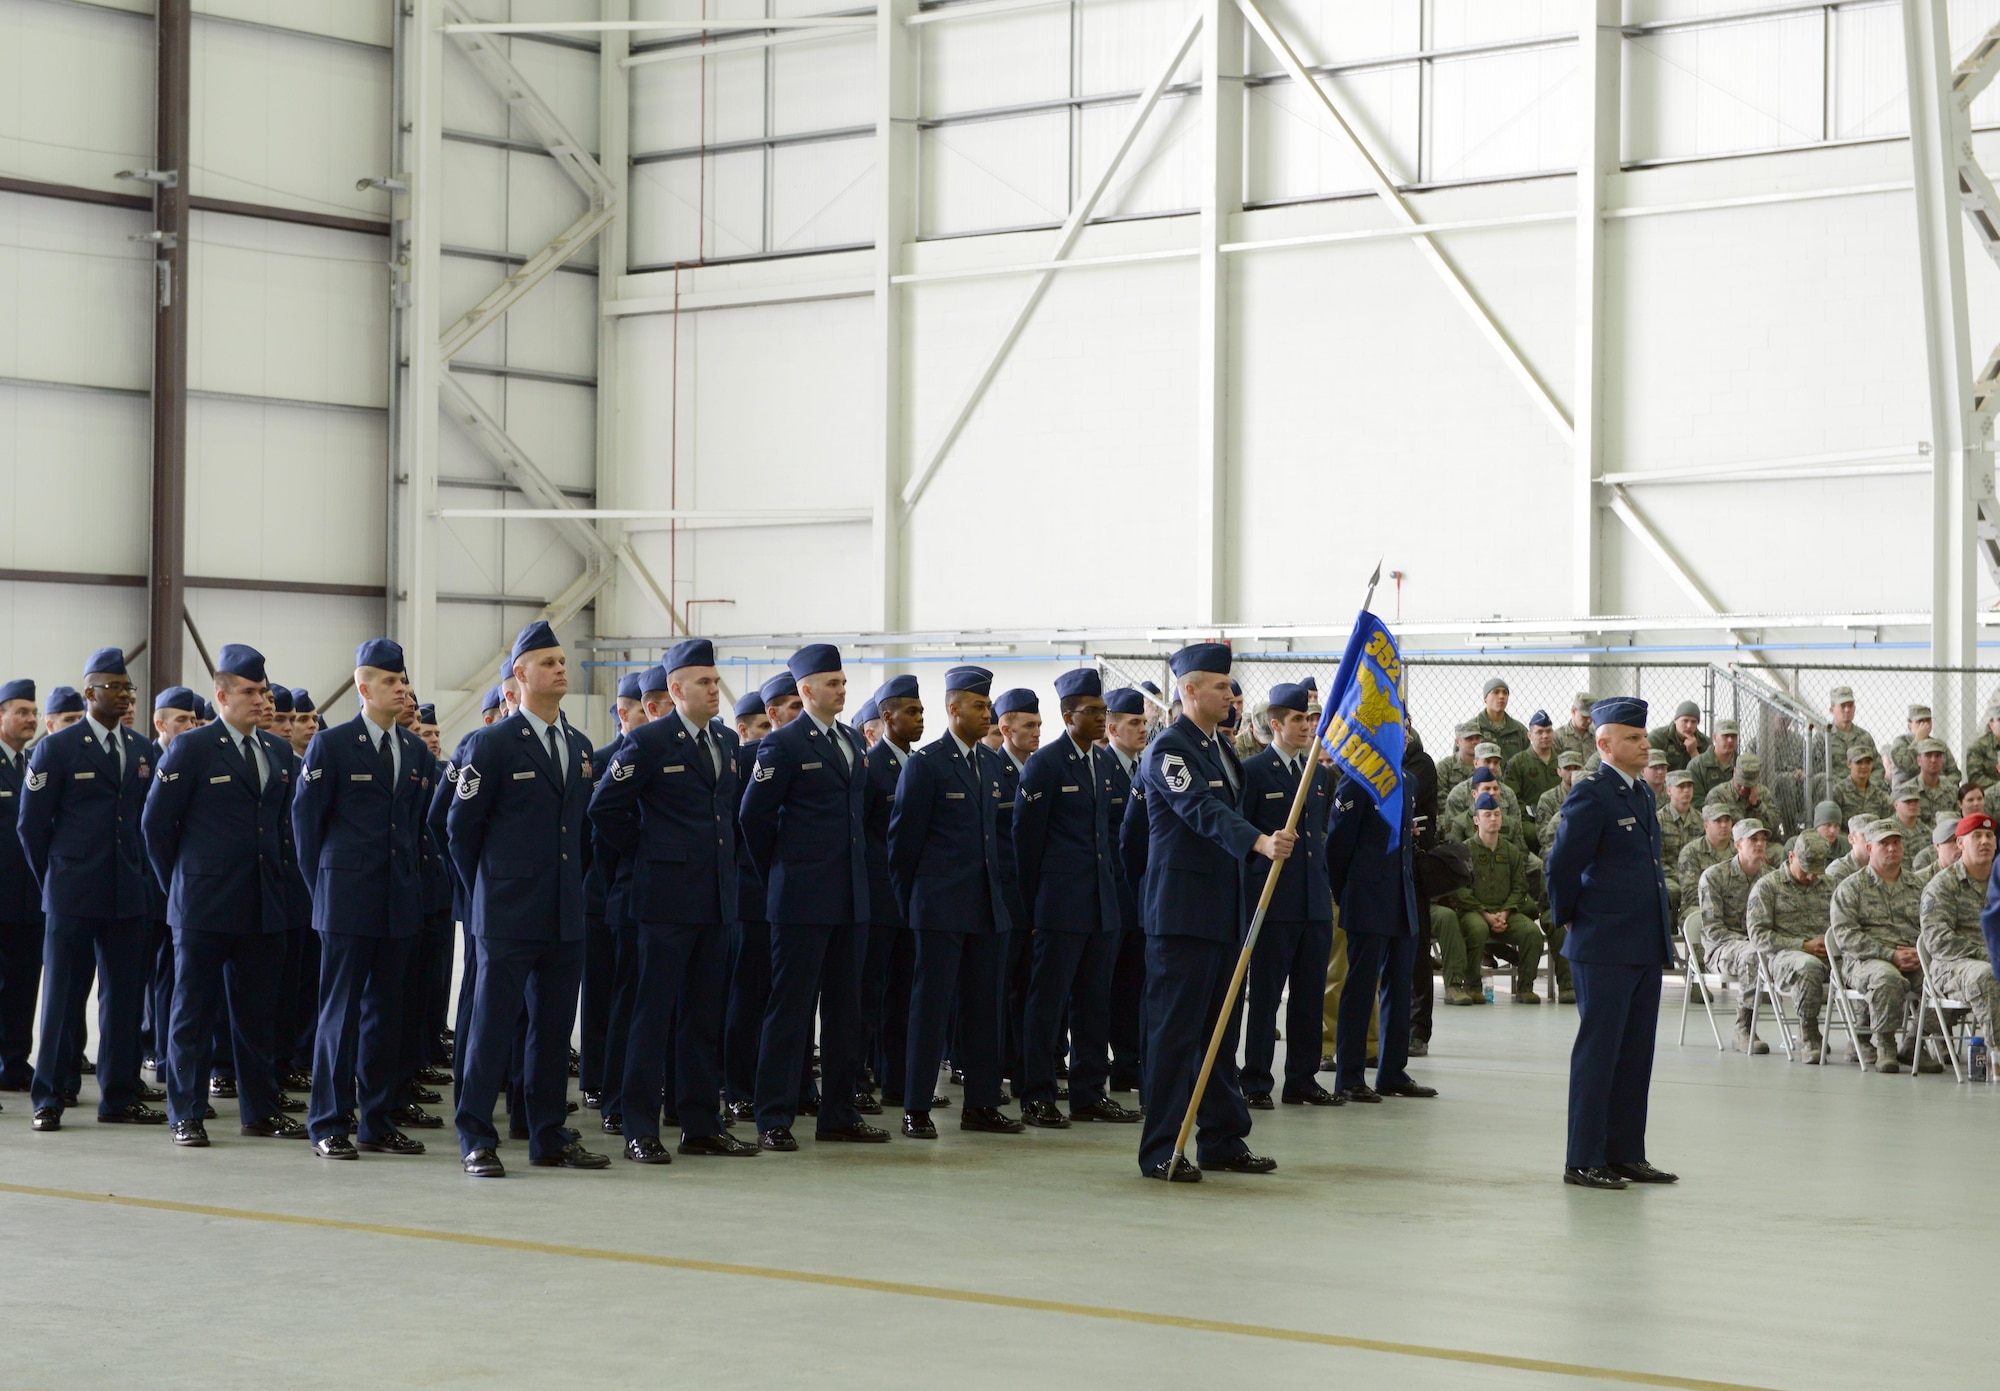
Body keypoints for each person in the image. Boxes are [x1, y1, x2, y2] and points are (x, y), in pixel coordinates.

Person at [587, 638, 757, 1164]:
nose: (715, 689)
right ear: (677, 690)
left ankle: (699, 1123)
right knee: (651, 1015)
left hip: (714, 902)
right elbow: (605, 811)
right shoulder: (649, 743)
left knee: (704, 1017)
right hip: (661, 902)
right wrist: (647, 856)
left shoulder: (726, 743)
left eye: (716, 680)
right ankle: (640, 1126)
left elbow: (728, 816)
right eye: (704, 682)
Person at [448, 621, 608, 1176]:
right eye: (548, 663)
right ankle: (476, 1136)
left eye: (563, 661)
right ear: (520, 675)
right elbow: (460, 829)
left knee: (553, 1030)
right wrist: (484, 894)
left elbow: (581, 831)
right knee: (492, 1028)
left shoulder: (578, 745)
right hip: (506, 912)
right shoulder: (490, 744)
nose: (561, 669)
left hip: (564, 910)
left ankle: (549, 1135)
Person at [1129, 643, 1290, 1182]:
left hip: (1223, 912)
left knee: (1220, 1033)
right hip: (1181, 916)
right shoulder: (1169, 751)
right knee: (1175, 1036)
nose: (1231, 694)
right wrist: (1259, 843)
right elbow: (1199, 810)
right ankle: (1161, 1149)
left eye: (1230, 685)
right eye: (1220, 686)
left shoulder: (1219, 748)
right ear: (1189, 691)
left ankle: (1222, 1139)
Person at [142, 645, 304, 1148]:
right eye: (251, 692)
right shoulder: (191, 748)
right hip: (202, 906)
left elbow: (282, 828)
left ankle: (259, 1109)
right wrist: (181, 888)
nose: (263, 700)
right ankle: (185, 1113)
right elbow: (155, 827)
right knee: (192, 1012)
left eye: (264, 691)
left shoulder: (277, 752)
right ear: (223, 694)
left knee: (257, 1016)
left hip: (261, 905)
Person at [738, 643, 884, 1151]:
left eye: (844, 682)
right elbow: (752, 818)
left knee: (847, 1010)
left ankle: (839, 1113)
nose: (842, 690)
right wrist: (781, 871)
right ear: (805, 690)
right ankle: (773, 1117)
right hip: (800, 897)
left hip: (849, 898)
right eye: (832, 683)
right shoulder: (783, 745)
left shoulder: (849, 741)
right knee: (791, 1009)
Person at [292, 640, 431, 1160]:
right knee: (340, 1014)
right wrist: (323, 890)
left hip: (397, 900)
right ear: (364, 687)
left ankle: (377, 1120)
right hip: (345, 899)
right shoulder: (332, 745)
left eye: (404, 681)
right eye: (391, 682)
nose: (402, 689)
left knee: (386, 1016)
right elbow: (306, 826)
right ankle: (328, 1121)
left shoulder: (414, 751)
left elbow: (416, 829)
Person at [18, 648, 163, 1131]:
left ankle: (119, 1095)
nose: (123, 695)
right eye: (113, 687)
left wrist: (144, 875)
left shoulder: (143, 750)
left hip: (128, 892)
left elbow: (152, 823)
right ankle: (50, 1096)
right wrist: (54, 881)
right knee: (62, 997)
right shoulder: (57, 748)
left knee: (122, 999)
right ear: (89, 692)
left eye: (128, 688)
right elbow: (31, 827)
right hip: (72, 893)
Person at [1545, 696, 1677, 1190]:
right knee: (1599, 1054)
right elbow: (1561, 866)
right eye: (1634, 738)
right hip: (1602, 945)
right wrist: (1575, 921)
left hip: (1641, 944)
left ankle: (1625, 1153)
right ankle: (1583, 1158)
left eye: (1644, 737)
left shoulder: (1639, 793)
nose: (1645, 745)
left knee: (1635, 1053)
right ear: (1604, 743)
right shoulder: (1592, 793)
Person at [890, 665, 1022, 1140]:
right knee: (930, 1010)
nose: (987, 713)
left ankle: (982, 1105)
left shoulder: (990, 765)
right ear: (954, 708)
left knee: (985, 1010)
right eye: (979, 706)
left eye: (988, 705)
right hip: (939, 908)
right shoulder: (926, 765)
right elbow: (902, 844)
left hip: (987, 907)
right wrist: (913, 904)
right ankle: (916, 1107)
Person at [1013, 668, 1136, 1127]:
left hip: (1102, 904)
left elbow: (1109, 836)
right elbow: (1025, 840)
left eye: (1105, 712)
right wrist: (1030, 908)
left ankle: (1088, 1093)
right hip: (1058, 905)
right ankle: (1037, 1093)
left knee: (1093, 1003)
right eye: (1094, 712)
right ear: (1068, 716)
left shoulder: (1102, 763)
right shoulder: (1045, 764)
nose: (1103, 719)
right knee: (1048, 1003)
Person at [1233, 683, 1336, 1109]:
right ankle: (1256, 1079)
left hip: (1313, 901)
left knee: (1310, 993)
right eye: (1297, 719)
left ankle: (1302, 1078)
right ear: (1275, 724)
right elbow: (1242, 837)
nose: (1306, 727)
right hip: (1273, 902)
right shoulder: (1254, 772)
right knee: (1267, 995)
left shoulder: (1319, 774)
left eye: (1310, 719)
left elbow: (1319, 836)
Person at [1326, 740, 1437, 1106]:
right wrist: (1348, 894)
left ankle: (1392, 1071)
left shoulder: (1407, 779)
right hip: (1367, 898)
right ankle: (1350, 1076)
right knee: (1360, 988)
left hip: (1401, 898)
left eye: (1404, 727)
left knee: (1400, 986)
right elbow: (1338, 848)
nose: (1401, 735)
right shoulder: (1357, 782)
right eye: (1393, 725)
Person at [859, 676, 925, 1110]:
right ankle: (860, 1080)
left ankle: (897, 1081)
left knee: (903, 993)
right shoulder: (871, 766)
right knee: (867, 994)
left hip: (912, 900)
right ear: (887, 717)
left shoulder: (921, 764)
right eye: (912, 712)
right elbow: (863, 833)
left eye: (921, 712)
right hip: (878, 896)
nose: (920, 720)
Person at [1827, 821, 1928, 1074]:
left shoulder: (1918, 887)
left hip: (1913, 958)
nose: (1892, 849)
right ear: (1869, 848)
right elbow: (1846, 936)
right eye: (1884, 844)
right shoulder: (1851, 888)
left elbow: (1932, 928)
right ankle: (1885, 1046)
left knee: (1946, 979)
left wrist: (1921, 955)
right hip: (1864, 961)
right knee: (1886, 978)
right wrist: (1889, 954)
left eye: (1896, 842)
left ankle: (1915, 1043)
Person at [722, 689, 773, 1124]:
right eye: (764, 728)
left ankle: (782, 1084)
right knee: (747, 996)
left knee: (781, 999)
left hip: (787, 894)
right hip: (750, 894)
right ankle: (737, 1087)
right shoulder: (741, 766)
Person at [1443, 797, 1542, 1003]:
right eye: (1487, 815)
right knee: (1477, 929)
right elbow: (1460, 891)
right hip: (1474, 912)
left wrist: (1505, 913)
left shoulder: (1511, 851)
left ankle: (1525, 987)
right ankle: (1473, 986)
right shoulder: (1464, 851)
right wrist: (1485, 914)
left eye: (1497, 814)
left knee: (1532, 933)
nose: (1493, 819)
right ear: (1476, 820)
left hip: (1505, 912)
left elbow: (1519, 887)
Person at [1746, 835, 1834, 1063]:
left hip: (1830, 955)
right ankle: (1809, 1034)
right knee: (1808, 966)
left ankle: (1865, 1040)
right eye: (1806, 870)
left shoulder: (1831, 885)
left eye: (1817, 870)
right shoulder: (1768, 887)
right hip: (1783, 958)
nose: (1812, 876)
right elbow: (1758, 935)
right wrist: (1802, 945)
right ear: (1791, 856)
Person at [1100, 687, 1149, 1093]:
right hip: (1109, 893)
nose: (1142, 729)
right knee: (1105, 986)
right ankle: (1100, 1065)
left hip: (1140, 896)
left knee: (1135, 983)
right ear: (1112, 727)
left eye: (1144, 722)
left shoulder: (1144, 768)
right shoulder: (1100, 766)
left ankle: (1129, 1064)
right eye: (1133, 723)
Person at [1917, 813, 2000, 1049]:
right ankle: (1997, 1054)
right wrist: (1990, 955)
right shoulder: (1942, 886)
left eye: (1989, 835)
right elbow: (1938, 942)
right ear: (1960, 843)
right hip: (1950, 966)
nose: (1985, 841)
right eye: (1976, 836)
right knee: (1987, 975)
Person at [1696, 818, 1773, 1054]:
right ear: (1738, 844)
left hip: (1760, 945)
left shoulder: (1772, 877)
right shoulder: (1714, 877)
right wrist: (1754, 943)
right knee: (1753, 954)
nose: (1759, 844)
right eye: (1753, 839)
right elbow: (1713, 930)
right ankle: (1744, 1027)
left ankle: (1806, 1031)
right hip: (1722, 949)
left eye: (1762, 839)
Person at [0, 677, 41, 1093]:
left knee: (24, 984)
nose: (31, 719)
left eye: (33, 712)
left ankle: (14, 1063)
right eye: (22, 712)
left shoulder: (34, 765)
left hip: (29, 899)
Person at [1677, 800, 1734, 942]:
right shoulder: (1691, 852)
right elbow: (1691, 894)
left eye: (1727, 820)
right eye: (1718, 821)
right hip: (1701, 907)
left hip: (1736, 908)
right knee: (1700, 918)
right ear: (1706, 825)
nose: (1724, 825)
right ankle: (1703, 962)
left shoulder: (1740, 850)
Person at [1810, 686, 1874, 799]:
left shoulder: (1864, 737)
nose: (1847, 710)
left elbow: (1878, 766)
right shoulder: (1823, 736)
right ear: (1832, 710)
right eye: (1843, 706)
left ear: (1854, 708)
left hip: (1861, 787)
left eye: (1850, 706)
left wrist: (1869, 783)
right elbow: (1815, 769)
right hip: (1834, 789)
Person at [1889, 704, 1961, 786]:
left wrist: (1939, 785)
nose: (1925, 725)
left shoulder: (1939, 745)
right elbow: (1907, 765)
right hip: (1908, 793)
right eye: (1920, 721)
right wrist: (1918, 741)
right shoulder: (1900, 742)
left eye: (1928, 721)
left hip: (1937, 794)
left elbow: (1954, 774)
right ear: (1909, 724)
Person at [1505, 711, 1560, 813]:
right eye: (1539, 732)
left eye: (1549, 731)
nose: (1545, 736)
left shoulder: (1561, 762)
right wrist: (1528, 813)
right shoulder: (1518, 762)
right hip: (1529, 819)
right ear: (1530, 735)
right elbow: (1512, 796)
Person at [1468, 678, 1529, 764]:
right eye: (1496, 692)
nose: (1501, 696)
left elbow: (1528, 760)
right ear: (1486, 698)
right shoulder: (1472, 728)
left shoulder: (1519, 730)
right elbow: (1461, 759)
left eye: (1505, 693)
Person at [1832, 744, 1891, 825]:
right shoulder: (1838, 792)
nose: (1864, 766)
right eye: (1858, 762)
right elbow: (1834, 826)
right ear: (1849, 764)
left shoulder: (1879, 795)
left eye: (1867, 762)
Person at [1684, 719, 1739, 803]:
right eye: (1725, 736)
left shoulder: (1742, 765)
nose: (1730, 740)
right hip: (1707, 814)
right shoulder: (1697, 765)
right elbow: (1696, 801)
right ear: (1715, 737)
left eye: (1733, 736)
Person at [1648, 701, 1709, 773]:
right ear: (1675, 720)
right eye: (1685, 721)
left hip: (1691, 783)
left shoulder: (1704, 742)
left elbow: (1706, 775)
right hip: (1662, 781)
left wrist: (1694, 752)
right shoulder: (1658, 737)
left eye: (1693, 722)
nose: (1689, 726)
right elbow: (1645, 767)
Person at [1436, 722, 1480, 801]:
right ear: (1457, 742)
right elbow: (1441, 800)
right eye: (1469, 738)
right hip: (1452, 811)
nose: (1475, 742)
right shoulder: (1445, 766)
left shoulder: (1488, 765)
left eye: (1477, 738)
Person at [1552, 693, 1596, 765]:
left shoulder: (1596, 735)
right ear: (1573, 711)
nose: (1589, 721)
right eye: (1585, 716)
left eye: (1592, 717)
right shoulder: (1558, 736)